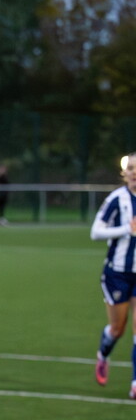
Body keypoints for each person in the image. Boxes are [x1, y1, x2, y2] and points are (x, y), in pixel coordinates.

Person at [91, 153, 136, 399]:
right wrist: (126, 230)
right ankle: (103, 353)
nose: (134, 172)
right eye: (130, 168)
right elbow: (96, 232)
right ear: (124, 172)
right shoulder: (117, 199)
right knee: (118, 329)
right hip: (117, 274)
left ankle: (135, 384)